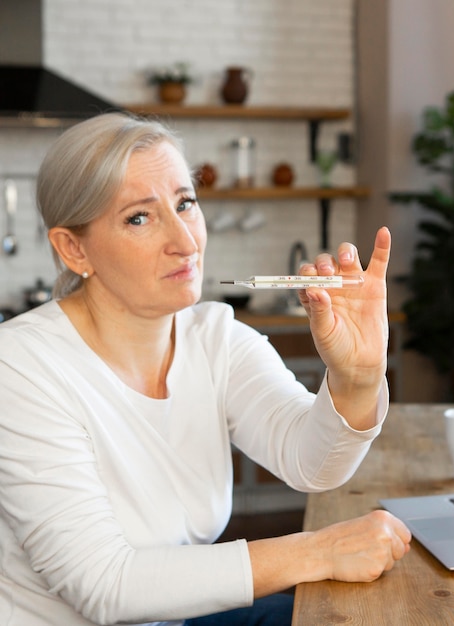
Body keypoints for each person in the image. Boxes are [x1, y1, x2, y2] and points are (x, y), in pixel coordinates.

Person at [0, 112, 410, 626]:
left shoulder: (214, 338)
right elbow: (106, 587)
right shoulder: (19, 367)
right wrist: (317, 552)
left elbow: (312, 463)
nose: (186, 241)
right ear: (73, 248)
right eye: (139, 218)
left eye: (185, 203)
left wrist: (358, 375)